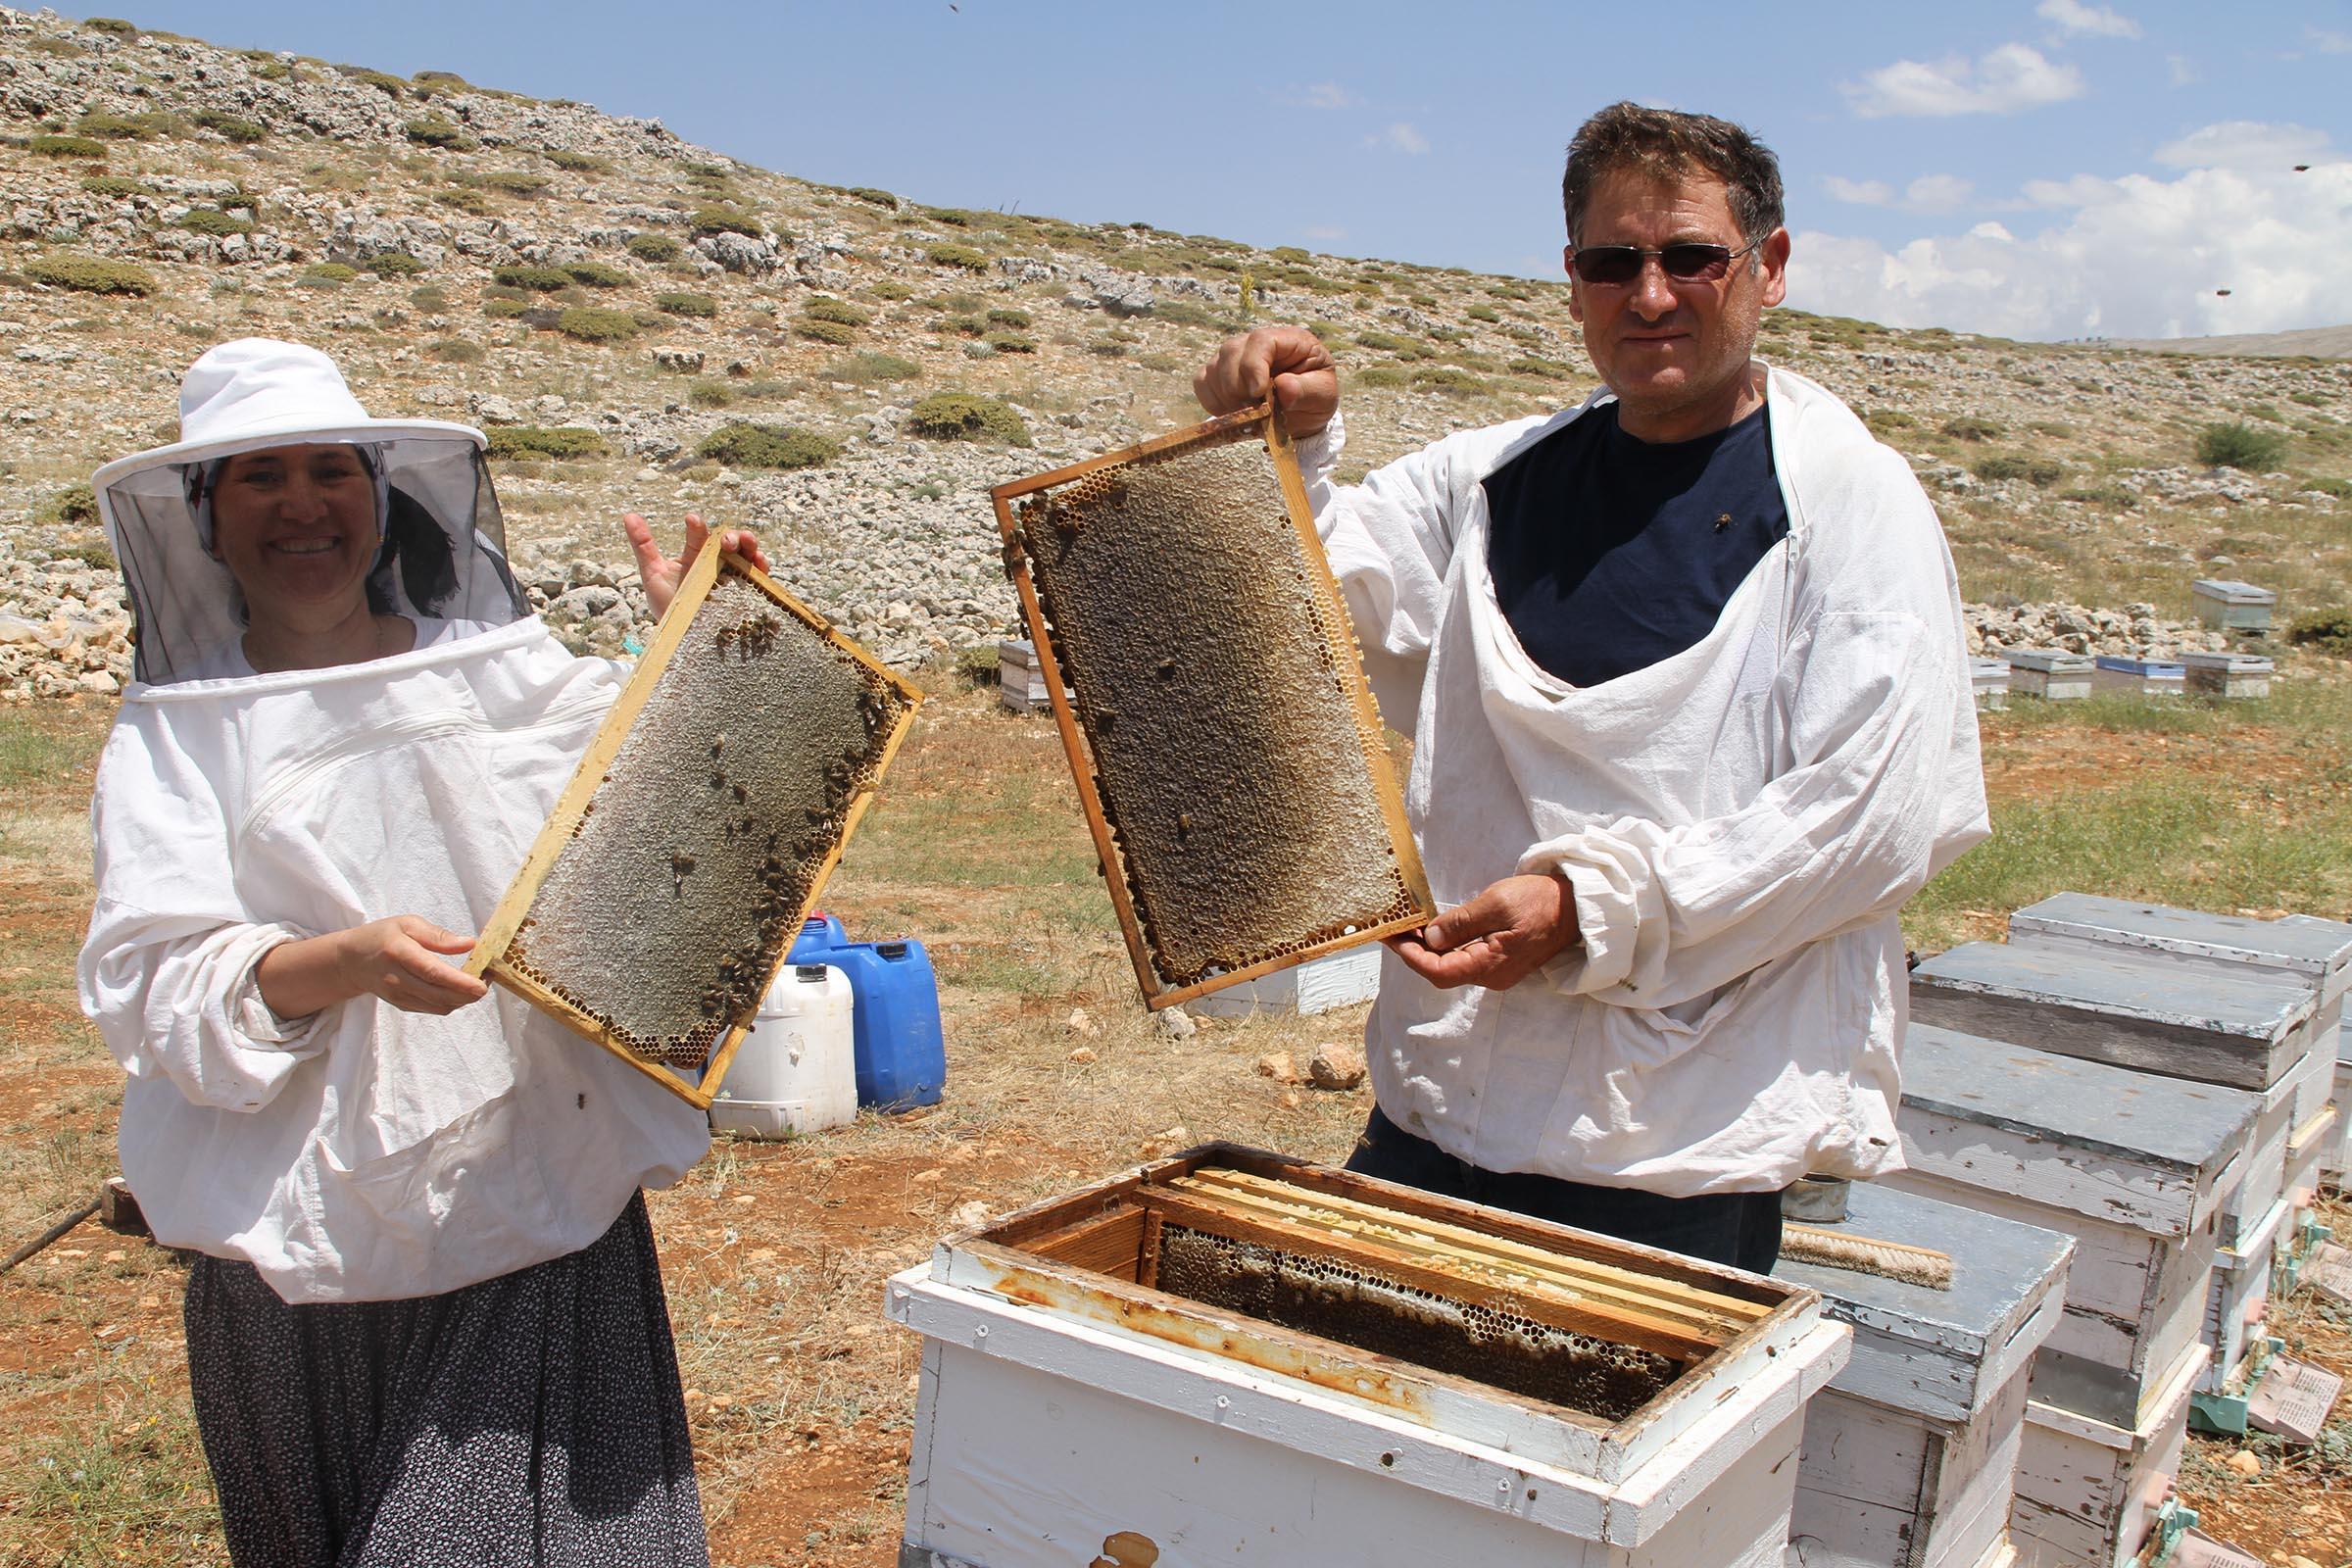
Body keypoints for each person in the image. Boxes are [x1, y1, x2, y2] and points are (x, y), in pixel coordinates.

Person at [1194, 103, 1987, 1274]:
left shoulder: (1852, 504)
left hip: (1669, 1153)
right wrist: (1287, 440)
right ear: (1573, 281)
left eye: (1691, 257)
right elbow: (1313, 613)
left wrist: (1591, 910)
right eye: (1615, 263)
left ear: (1767, 267)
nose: (1651, 295)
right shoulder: (1490, 479)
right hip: (1433, 1113)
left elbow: (1871, 816)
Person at [76, 337, 768, 1566]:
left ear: (379, 494)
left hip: (539, 1216)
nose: (303, 503)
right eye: (259, 476)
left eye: (331, 469)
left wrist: (696, 655)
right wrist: (345, 962)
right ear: (207, 517)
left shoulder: (500, 668)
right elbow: (155, 986)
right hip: (312, 1260)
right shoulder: (176, 733)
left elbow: (647, 833)